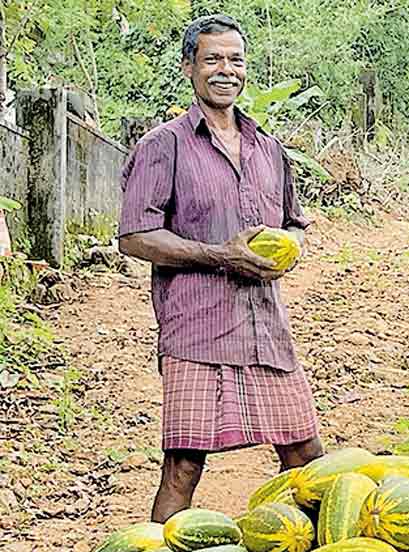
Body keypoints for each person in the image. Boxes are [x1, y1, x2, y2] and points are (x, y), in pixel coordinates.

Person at [118, 14, 324, 523]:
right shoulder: (162, 145)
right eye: (212, 59)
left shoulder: (268, 149)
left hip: (264, 330)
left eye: (235, 59)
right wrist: (219, 255)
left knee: (306, 457)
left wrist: (289, 248)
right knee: (183, 467)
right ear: (190, 66)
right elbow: (135, 236)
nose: (224, 70)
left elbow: (296, 224)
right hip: (197, 329)